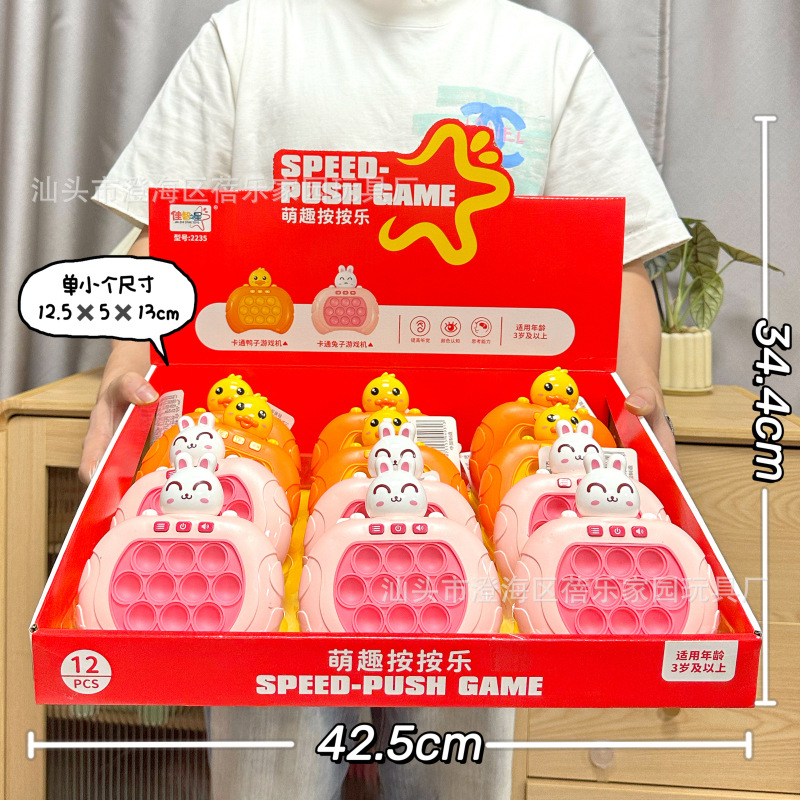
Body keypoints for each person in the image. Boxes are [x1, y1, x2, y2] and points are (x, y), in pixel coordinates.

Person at [82, 1, 688, 797]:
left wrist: (640, 399)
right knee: (272, 782)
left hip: (480, 486)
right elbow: (161, 233)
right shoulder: (249, 36)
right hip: (267, 466)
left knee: (451, 780)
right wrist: (122, 377)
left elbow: (617, 257)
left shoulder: (548, 56)